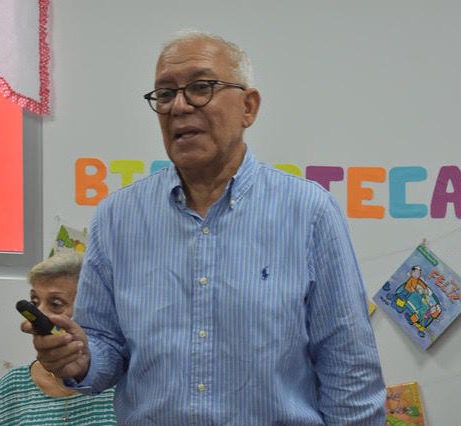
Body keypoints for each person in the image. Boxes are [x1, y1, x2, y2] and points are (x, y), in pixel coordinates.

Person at [27, 29, 387, 425]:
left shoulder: (309, 212)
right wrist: (81, 358)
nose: (179, 107)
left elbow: (349, 370)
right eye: (164, 94)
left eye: (201, 87)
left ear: (249, 107)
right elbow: (105, 345)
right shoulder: (117, 217)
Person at [0, 252, 117, 425]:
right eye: (35, 302)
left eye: (55, 304)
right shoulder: (12, 386)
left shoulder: (121, 384)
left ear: (92, 310)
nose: (39, 314)